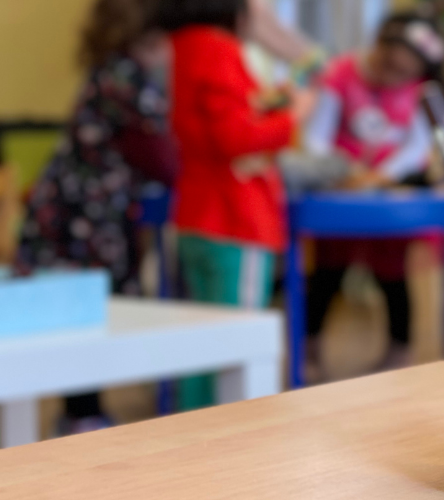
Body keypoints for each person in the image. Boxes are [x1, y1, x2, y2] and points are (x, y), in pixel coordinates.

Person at [14, 0, 177, 435]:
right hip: (86, 213)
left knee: (76, 310)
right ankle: (81, 412)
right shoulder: (129, 77)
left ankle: (80, 410)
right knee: (83, 311)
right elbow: (159, 156)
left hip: (71, 205)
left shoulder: (110, 68)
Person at [160, 0, 315, 409]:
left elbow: (213, 123)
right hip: (235, 216)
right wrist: (293, 116)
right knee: (239, 343)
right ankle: (235, 444)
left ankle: (195, 430)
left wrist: (265, 106)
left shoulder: (181, 45)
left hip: (197, 212)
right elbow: (235, 139)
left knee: (202, 340)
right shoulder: (219, 46)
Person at [302, 13, 444, 377]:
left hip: (386, 195)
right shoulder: (339, 75)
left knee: (393, 275)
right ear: (379, 47)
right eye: (391, 65)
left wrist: (380, 176)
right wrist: (343, 170)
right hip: (338, 191)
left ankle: (400, 351)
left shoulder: (419, 92)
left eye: (406, 72)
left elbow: (417, 147)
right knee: (326, 274)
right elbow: (315, 136)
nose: (395, 77)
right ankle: (310, 348)